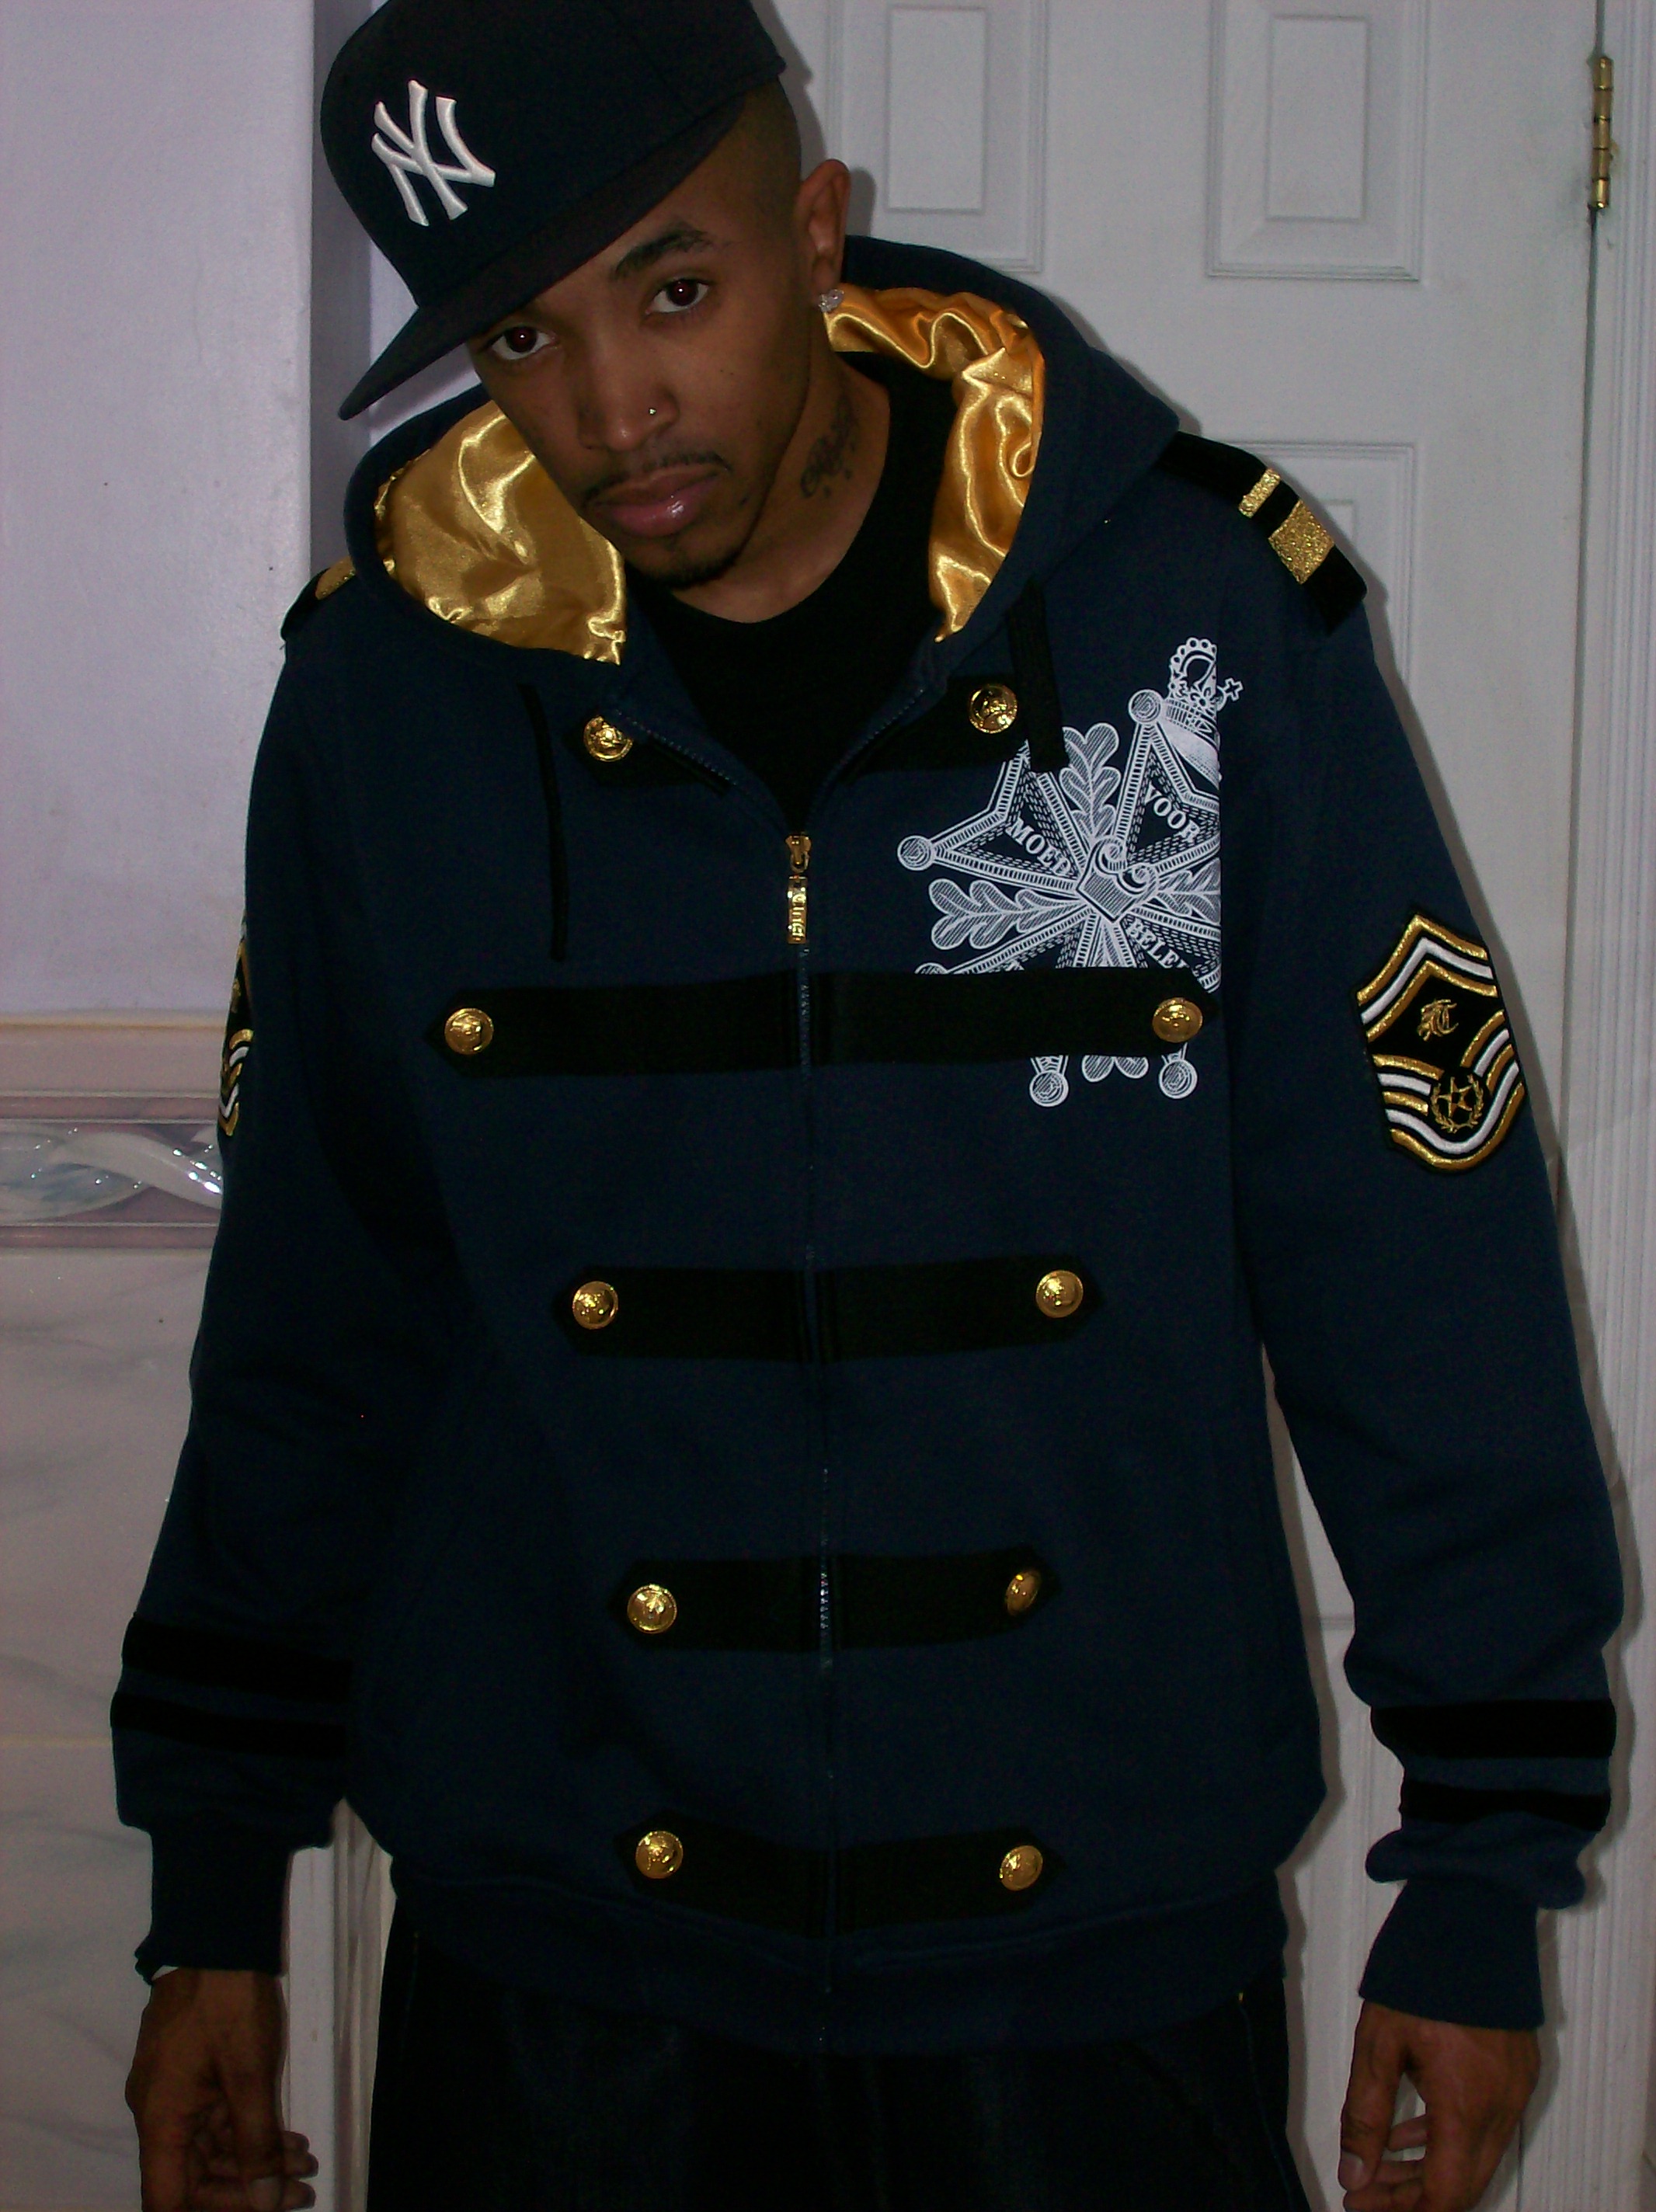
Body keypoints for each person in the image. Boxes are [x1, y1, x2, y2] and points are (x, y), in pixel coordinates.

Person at [114, 2, 1622, 2207]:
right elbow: (310, 1325)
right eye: (522, 336)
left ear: (817, 229)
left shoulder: (1197, 625)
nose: (612, 408)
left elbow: (1415, 1264)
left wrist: (1483, 1865)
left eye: (674, 288)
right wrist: (212, 1894)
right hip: (558, 1968)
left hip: (1093, 1965)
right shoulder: (385, 700)